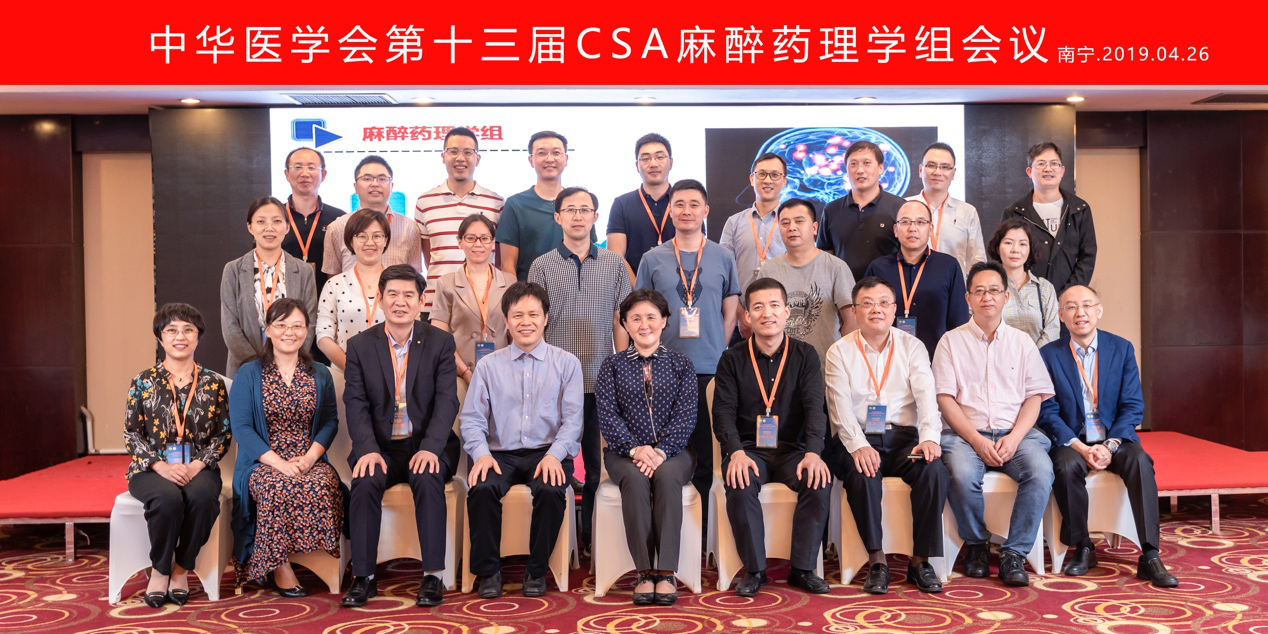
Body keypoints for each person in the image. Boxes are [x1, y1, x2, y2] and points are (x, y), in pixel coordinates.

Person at [1037, 285, 1178, 587]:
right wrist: (1080, 447)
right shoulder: (1048, 355)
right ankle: (1083, 546)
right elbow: (1047, 412)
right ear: (1061, 315)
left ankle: (1150, 554)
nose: (1080, 313)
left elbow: (1132, 406)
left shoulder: (1121, 348)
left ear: (1099, 310)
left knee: (1140, 461)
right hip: (1072, 440)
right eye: (1071, 307)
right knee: (1064, 466)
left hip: (1115, 438)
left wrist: (1110, 445)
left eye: (1087, 305)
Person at [340, 265, 463, 608]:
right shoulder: (360, 346)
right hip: (381, 447)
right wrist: (366, 449)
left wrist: (431, 448)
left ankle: (432, 575)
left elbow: (447, 401)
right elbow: (355, 402)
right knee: (365, 480)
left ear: (421, 301)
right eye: (392, 294)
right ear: (380, 299)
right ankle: (364, 577)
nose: (400, 302)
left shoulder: (440, 342)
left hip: (425, 442)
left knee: (427, 476)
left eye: (409, 295)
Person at [822, 277, 947, 594]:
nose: (875, 309)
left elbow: (927, 398)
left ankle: (920, 562)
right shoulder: (839, 351)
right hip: (857, 437)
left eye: (882, 303)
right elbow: (840, 409)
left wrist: (929, 438)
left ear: (894, 309)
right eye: (867, 303)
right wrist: (858, 446)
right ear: (855, 311)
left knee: (933, 470)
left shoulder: (912, 346)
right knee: (862, 472)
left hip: (904, 439)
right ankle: (877, 561)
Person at [460, 282, 584, 599]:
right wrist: (481, 454)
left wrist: (555, 455)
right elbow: (472, 419)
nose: (525, 322)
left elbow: (573, 422)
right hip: (498, 454)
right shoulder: (488, 366)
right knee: (482, 488)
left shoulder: (567, 363)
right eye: (517, 315)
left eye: (533, 314)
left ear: (545, 318)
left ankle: (536, 570)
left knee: (550, 489)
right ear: (506, 319)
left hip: (547, 452)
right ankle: (488, 572)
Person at [935, 261, 1055, 587]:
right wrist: (976, 440)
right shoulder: (950, 342)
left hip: (1016, 434)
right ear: (968, 298)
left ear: (1006, 297)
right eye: (979, 291)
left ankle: (1013, 553)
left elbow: (1034, 397)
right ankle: (976, 544)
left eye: (994, 291)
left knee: (1041, 471)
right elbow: (945, 398)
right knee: (960, 474)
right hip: (964, 434)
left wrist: (1014, 438)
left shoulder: (1022, 342)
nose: (987, 297)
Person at [712, 277, 833, 597]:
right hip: (749, 450)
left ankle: (802, 569)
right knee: (738, 479)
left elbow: (815, 408)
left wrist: (814, 452)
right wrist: (735, 452)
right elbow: (723, 412)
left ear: (787, 311)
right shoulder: (731, 358)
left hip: (794, 451)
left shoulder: (805, 355)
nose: (767, 313)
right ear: (747, 316)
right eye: (758, 307)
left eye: (774, 305)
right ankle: (755, 570)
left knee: (819, 479)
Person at [528, 186, 632, 555]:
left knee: (596, 465)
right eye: (570, 209)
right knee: (559, 462)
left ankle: (590, 539)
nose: (577, 216)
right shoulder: (541, 265)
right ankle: (561, 543)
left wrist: (623, 367)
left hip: (601, 379)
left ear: (595, 217)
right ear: (557, 217)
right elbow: (535, 323)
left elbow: (622, 319)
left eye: (585, 209)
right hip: (555, 383)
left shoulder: (614, 264)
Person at [635, 179, 741, 533]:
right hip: (663, 369)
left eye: (694, 204)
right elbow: (642, 313)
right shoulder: (652, 258)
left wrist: (717, 347)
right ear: (670, 211)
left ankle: (707, 533)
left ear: (705, 210)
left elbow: (730, 311)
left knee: (709, 455)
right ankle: (667, 530)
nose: (686, 211)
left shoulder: (723, 256)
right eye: (679, 204)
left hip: (711, 369)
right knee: (665, 453)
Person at [229, 298, 344, 595]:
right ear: (268, 329)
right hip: (262, 463)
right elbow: (242, 428)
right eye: (281, 325)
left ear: (306, 330)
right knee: (275, 486)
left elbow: (330, 422)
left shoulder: (320, 373)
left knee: (322, 482)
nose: (289, 332)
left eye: (297, 326)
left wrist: (309, 459)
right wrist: (279, 463)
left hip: (309, 459)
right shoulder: (248, 373)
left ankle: (322, 562)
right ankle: (279, 566)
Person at [124, 303, 232, 608]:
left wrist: (196, 465)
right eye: (171, 330)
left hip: (199, 468)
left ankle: (181, 568)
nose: (180, 337)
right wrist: (160, 466)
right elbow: (131, 434)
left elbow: (223, 434)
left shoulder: (213, 383)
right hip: (151, 469)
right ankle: (160, 569)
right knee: (167, 498)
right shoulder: (143, 381)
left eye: (188, 330)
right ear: (160, 337)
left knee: (203, 498)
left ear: (198, 336)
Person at [595, 289, 698, 606]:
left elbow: (686, 415)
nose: (644, 325)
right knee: (636, 478)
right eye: (635, 318)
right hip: (624, 453)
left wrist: (661, 451)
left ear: (664, 321)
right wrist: (634, 449)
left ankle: (665, 572)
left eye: (651, 317)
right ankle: (643, 572)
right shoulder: (612, 365)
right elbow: (607, 415)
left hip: (675, 452)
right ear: (625, 324)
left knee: (667, 476)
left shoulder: (681, 364)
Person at [221, 196, 317, 378]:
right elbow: (230, 327)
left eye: (277, 221)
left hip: (290, 369)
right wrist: (257, 366)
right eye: (261, 221)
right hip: (244, 368)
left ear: (287, 227)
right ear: (250, 227)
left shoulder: (304, 271)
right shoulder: (233, 270)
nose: (269, 228)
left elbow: (309, 323)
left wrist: (287, 360)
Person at [414, 127, 505, 314]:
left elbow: (498, 259)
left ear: (477, 159)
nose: (460, 158)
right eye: (453, 151)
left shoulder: (496, 203)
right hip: (435, 303)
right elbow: (429, 257)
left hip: (483, 304)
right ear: (443, 156)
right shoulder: (425, 202)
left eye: (468, 152)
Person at [757, 198, 856, 367]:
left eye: (799, 221)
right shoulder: (769, 270)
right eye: (785, 223)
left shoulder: (836, 267)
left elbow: (852, 322)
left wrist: (842, 361)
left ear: (814, 228)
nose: (792, 228)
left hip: (825, 367)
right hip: (779, 369)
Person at [863, 200, 969, 358]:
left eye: (920, 222)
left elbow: (958, 320)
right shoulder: (878, 268)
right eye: (905, 222)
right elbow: (866, 316)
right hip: (887, 358)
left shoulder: (948, 266)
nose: (912, 228)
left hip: (937, 358)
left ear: (930, 229)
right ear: (896, 230)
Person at [497, 131, 595, 281]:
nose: (549, 159)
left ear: (566, 159)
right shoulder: (516, 204)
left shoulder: (580, 205)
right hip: (531, 292)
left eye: (556, 153)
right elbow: (508, 264)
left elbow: (591, 257)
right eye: (541, 153)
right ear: (531, 160)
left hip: (576, 291)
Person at [1001, 142, 1096, 293]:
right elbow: (1005, 257)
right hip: (1026, 296)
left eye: (1054, 164)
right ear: (1029, 171)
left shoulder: (1079, 209)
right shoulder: (1015, 213)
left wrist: (1069, 294)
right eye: (1041, 164)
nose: (1048, 169)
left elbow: (1087, 256)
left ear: (1062, 170)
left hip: (1069, 299)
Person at [430, 214, 513, 388]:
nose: (478, 244)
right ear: (459, 242)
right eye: (471, 238)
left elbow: (514, 335)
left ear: (493, 243)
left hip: (503, 374)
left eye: (484, 238)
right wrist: (466, 373)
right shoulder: (446, 283)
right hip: (459, 376)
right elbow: (439, 338)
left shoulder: (510, 282)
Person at [816, 140, 907, 279]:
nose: (859, 170)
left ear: (880, 168)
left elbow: (910, 253)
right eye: (853, 164)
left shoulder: (900, 207)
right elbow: (826, 255)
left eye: (867, 163)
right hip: (844, 290)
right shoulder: (831, 210)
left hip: (887, 290)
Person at [720, 152, 787, 335]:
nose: (768, 180)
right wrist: (741, 315)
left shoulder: (791, 223)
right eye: (762, 174)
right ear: (752, 179)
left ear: (784, 181)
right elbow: (724, 273)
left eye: (775, 175)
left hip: (783, 322)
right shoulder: (734, 223)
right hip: (741, 322)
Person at [315, 209, 390, 373]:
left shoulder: (399, 284)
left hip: (392, 375)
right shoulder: (334, 284)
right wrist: (353, 371)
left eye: (377, 236)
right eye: (362, 236)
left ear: (385, 241)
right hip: (345, 375)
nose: (370, 242)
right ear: (351, 241)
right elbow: (323, 335)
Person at [323, 156, 424, 276]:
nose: (375, 184)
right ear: (355, 187)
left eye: (382, 179)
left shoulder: (409, 228)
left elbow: (414, 277)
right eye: (367, 179)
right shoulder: (337, 227)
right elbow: (333, 278)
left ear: (392, 186)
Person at [906, 142, 986, 276]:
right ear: (920, 170)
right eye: (931, 165)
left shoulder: (967, 212)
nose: (937, 172)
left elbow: (977, 262)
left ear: (953, 173)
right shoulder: (903, 207)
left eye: (944, 167)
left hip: (954, 286)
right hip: (911, 285)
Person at [606, 133, 675, 278]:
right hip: (634, 290)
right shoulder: (622, 204)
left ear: (671, 162)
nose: (653, 163)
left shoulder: (685, 203)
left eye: (660, 157)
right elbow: (616, 257)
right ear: (637, 166)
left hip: (680, 289)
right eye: (645, 158)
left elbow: (696, 250)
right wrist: (639, 288)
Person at [280, 146, 346, 293]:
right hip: (283, 299)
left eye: (311, 168)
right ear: (286, 174)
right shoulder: (275, 217)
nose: (304, 174)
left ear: (323, 174)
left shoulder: (339, 218)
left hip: (328, 299)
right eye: (297, 167)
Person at [989, 217, 1060, 346]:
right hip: (998, 356)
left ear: (1030, 249)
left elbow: (1053, 331)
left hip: (1039, 357)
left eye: (1022, 244)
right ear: (998, 247)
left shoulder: (1044, 288)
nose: (1015, 250)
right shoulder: (988, 287)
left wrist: (1033, 355)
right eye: (1008, 243)